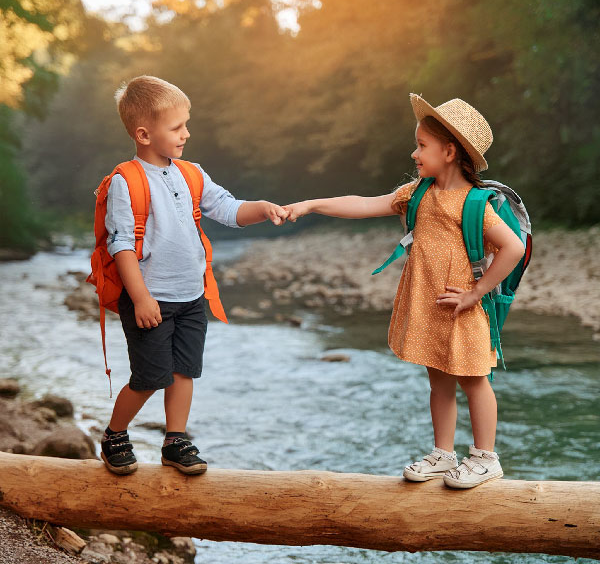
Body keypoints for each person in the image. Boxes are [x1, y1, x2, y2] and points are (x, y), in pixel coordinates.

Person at [284, 94, 525, 488]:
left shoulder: (474, 204)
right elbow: (362, 204)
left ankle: (486, 458)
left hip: (460, 307)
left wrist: (476, 292)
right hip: (432, 305)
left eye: (422, 146)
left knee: (474, 379)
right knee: (439, 381)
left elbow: (513, 247)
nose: (414, 153)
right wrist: (310, 204)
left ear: (449, 152)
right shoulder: (417, 194)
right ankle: (444, 454)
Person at [100, 75, 288, 475]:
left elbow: (228, 208)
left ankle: (176, 439)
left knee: (185, 370)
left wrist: (262, 207)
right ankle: (115, 434)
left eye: (186, 124)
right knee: (150, 377)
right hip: (150, 299)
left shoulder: (191, 173)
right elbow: (122, 246)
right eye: (177, 127)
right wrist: (142, 298)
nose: (187, 133)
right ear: (144, 134)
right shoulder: (126, 181)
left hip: (190, 295)